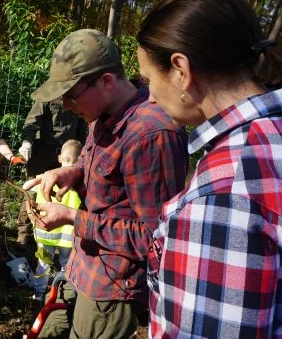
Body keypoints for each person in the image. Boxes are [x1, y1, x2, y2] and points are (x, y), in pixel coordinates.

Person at [136, 0, 282, 337]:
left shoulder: (223, 196)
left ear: (181, 70)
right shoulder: (281, 130)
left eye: (147, 79)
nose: (149, 97)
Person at [27, 29, 189, 338]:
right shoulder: (103, 114)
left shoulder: (151, 134)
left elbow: (155, 238)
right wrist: (73, 172)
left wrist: (74, 218)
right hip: (82, 267)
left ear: (106, 80)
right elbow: (99, 167)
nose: (65, 104)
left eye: (71, 94)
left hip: (111, 287)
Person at [16, 99, 87, 248]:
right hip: (43, 153)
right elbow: (33, 121)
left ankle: (66, 237)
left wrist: (83, 153)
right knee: (32, 194)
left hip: (68, 155)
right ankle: (24, 235)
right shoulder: (46, 96)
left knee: (67, 194)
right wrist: (27, 141)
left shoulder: (77, 96)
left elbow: (81, 127)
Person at [22, 139, 83, 301]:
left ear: (59, 158)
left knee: (43, 264)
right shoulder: (80, 181)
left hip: (45, 232)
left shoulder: (49, 176)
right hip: (69, 237)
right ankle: (64, 295)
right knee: (66, 266)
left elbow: (26, 186)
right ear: (81, 160)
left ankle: (39, 294)